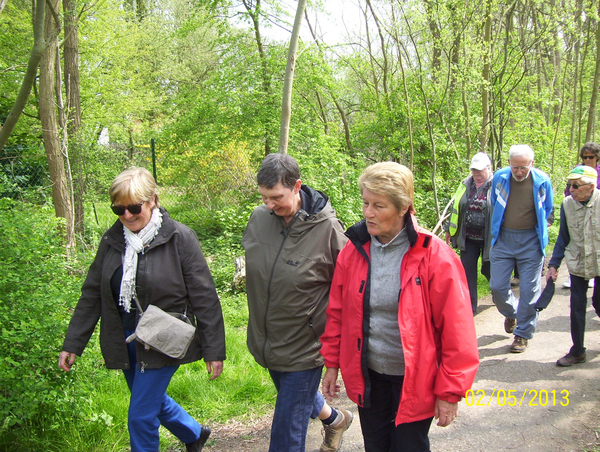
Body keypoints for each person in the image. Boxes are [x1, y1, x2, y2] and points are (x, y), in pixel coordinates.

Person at [58, 167, 225, 452]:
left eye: (134, 207)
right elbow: (92, 295)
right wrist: (73, 343)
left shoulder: (179, 238)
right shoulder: (112, 242)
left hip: (163, 338)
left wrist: (213, 349)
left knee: (140, 415)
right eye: (118, 209)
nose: (127, 216)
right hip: (126, 338)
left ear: (153, 200)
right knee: (149, 399)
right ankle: (194, 433)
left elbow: (205, 296)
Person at [320, 162, 479, 452]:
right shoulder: (353, 251)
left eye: (379, 206)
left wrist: (450, 392)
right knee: (376, 447)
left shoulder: (434, 256)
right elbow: (338, 315)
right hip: (369, 378)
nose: (368, 213)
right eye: (366, 203)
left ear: (403, 207)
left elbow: (458, 331)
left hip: (415, 381)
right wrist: (331, 364)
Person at [242, 153, 352, 452]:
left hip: (306, 347)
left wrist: (336, 348)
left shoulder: (328, 230)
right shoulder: (259, 219)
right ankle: (335, 420)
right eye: (264, 197)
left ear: (297, 186)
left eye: (276, 197)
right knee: (298, 399)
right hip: (268, 339)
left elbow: (349, 289)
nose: (269, 205)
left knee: (286, 433)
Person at [489, 145, 554, 353]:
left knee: (529, 291)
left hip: (531, 241)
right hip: (503, 239)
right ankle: (512, 312)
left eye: (523, 168)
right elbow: (494, 203)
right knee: (497, 286)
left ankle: (523, 334)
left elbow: (548, 208)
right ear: (509, 163)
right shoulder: (499, 178)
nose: (518, 172)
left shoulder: (542, 181)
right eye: (515, 167)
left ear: (531, 164)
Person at [547, 166, 600, 366]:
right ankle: (577, 351)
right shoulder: (567, 204)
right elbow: (563, 236)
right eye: (569, 185)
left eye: (576, 186)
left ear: (591, 186)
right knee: (576, 307)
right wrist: (554, 264)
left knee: (598, 302)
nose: (571, 189)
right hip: (579, 262)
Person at [444, 152, 493, 314]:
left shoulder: (498, 185)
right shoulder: (466, 184)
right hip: (468, 237)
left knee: (489, 269)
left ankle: (498, 290)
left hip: (489, 238)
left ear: (489, 168)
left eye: (480, 171)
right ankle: (470, 308)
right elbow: (456, 208)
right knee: (467, 272)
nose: (477, 174)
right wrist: (449, 230)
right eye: (474, 170)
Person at [561, 142, 600, 289]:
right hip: (578, 208)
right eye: (585, 157)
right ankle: (575, 275)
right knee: (577, 242)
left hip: (596, 209)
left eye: (591, 157)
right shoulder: (577, 170)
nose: (588, 160)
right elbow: (569, 189)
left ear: (597, 158)